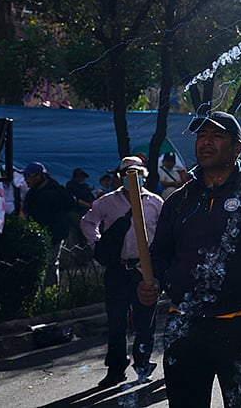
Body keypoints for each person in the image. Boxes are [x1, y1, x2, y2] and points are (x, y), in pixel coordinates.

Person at [137, 111, 241, 408]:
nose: (206, 143)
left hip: (240, 325)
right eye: (202, 136)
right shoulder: (180, 200)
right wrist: (152, 281)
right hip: (184, 326)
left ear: (237, 148)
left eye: (216, 136)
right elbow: (159, 255)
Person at [81, 156, 164, 386]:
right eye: (128, 173)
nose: (132, 177)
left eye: (137, 173)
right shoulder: (107, 202)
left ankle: (143, 364)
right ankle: (116, 368)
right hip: (118, 269)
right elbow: (88, 223)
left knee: (145, 320)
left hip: (144, 269)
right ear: (121, 176)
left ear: (144, 176)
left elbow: (165, 234)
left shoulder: (155, 203)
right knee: (116, 321)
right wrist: (97, 245)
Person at [22, 162, 75, 286]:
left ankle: (50, 294)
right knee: (41, 264)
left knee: (50, 264)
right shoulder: (34, 192)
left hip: (53, 234)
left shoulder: (52, 192)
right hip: (39, 234)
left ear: (38, 176)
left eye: (28, 177)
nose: (26, 181)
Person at [64, 168, 95, 246]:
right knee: (81, 223)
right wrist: (88, 205)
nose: (82, 178)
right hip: (76, 211)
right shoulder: (70, 186)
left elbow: (92, 198)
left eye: (83, 177)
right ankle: (82, 242)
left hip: (89, 211)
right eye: (80, 176)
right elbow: (74, 200)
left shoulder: (85, 187)